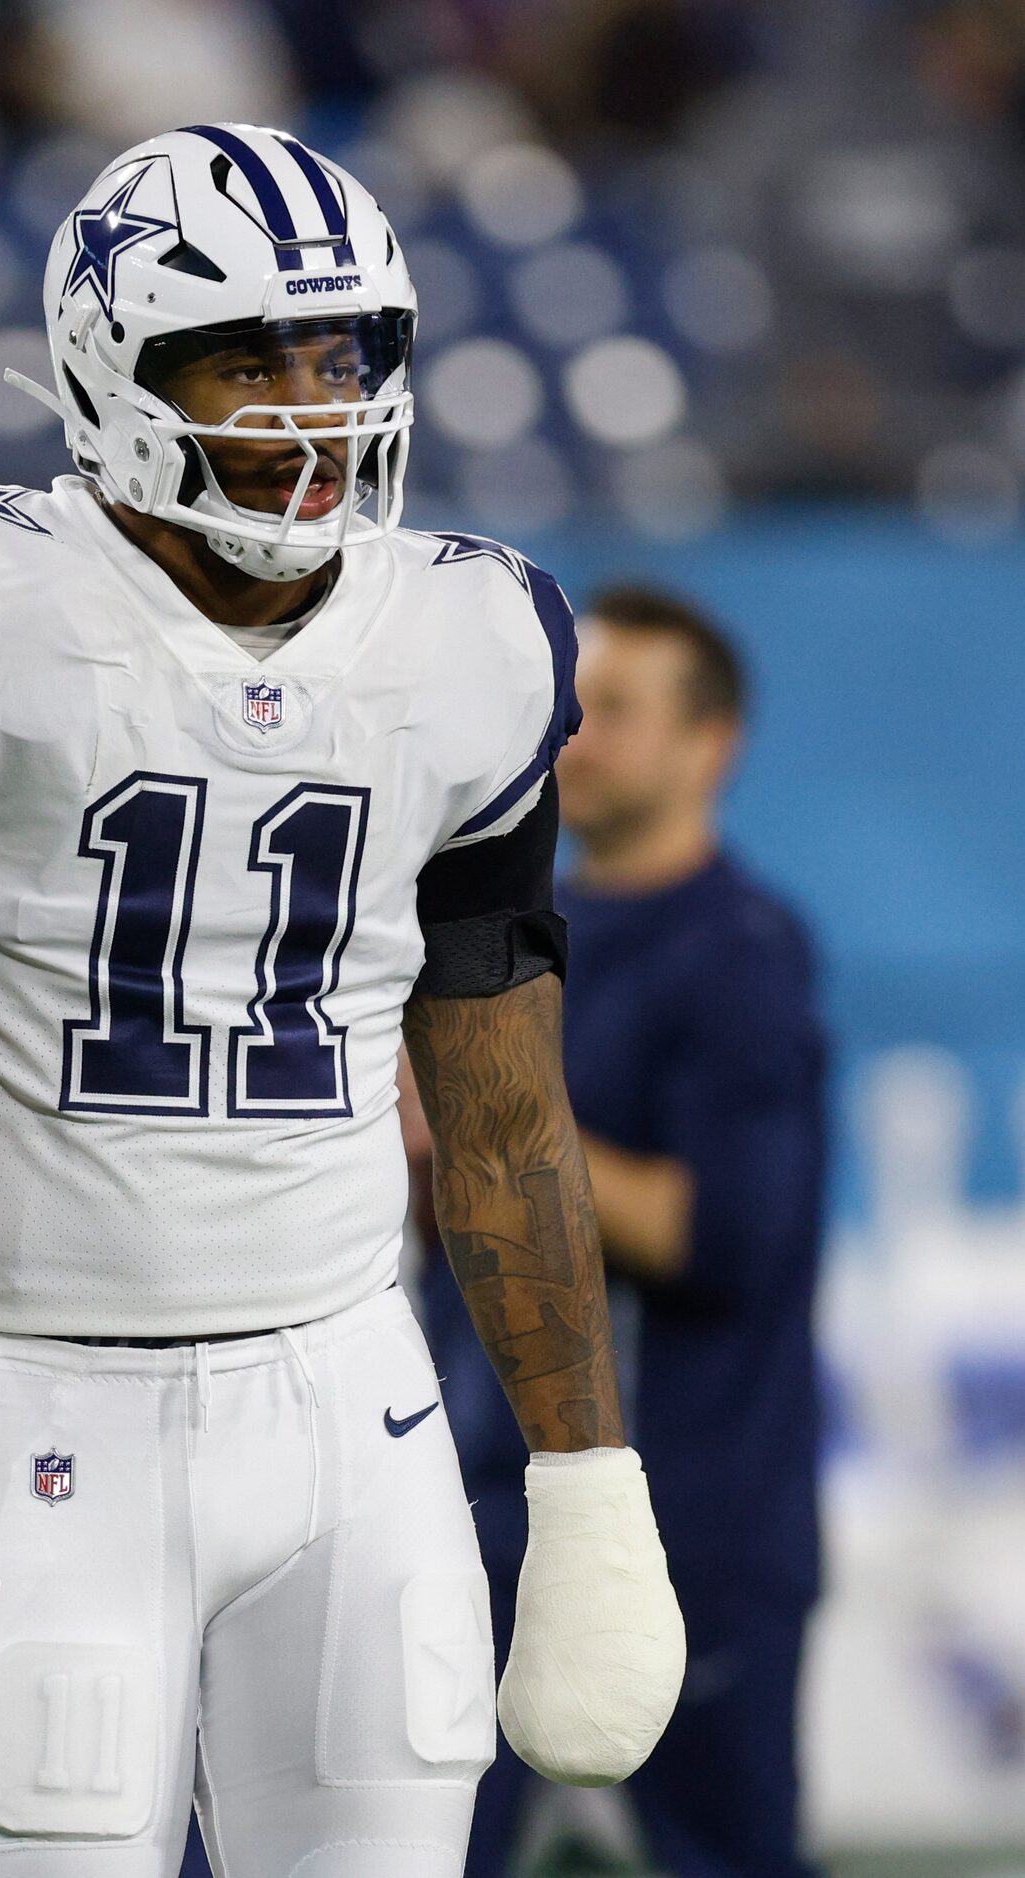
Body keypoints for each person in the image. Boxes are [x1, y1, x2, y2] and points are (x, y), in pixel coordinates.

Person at [0, 126, 685, 1878]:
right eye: (245, 356)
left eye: (339, 354)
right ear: (113, 366)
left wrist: (584, 1478)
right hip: (44, 1391)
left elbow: (496, 1107)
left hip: (355, 1405)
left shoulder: (473, 639)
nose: (307, 403)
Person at [420, 584, 826, 1878]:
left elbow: (727, 1236)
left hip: (688, 1517)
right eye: (569, 707)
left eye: (618, 711)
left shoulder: (739, 953)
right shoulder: (518, 929)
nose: (574, 737)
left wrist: (489, 1133)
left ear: (713, 744)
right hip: (480, 1505)